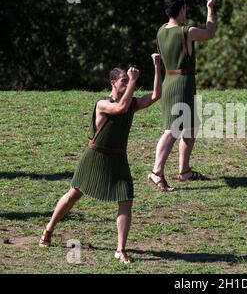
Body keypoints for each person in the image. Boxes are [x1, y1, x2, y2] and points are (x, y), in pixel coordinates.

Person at [39, 54, 163, 264]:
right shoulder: (103, 104)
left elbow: (156, 95)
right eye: (124, 80)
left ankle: (120, 249)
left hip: (118, 157)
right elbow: (120, 108)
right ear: (113, 83)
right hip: (95, 156)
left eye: (129, 80)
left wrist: (157, 66)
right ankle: (49, 229)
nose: (128, 82)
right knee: (73, 195)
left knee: (126, 200)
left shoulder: (131, 102)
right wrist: (133, 81)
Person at [148, 0, 216, 191]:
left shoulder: (162, 30)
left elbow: (178, 16)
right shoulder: (188, 32)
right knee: (173, 129)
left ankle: (184, 171)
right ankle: (156, 172)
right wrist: (210, 8)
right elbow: (210, 32)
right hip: (182, 83)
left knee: (191, 127)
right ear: (182, 10)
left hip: (170, 81)